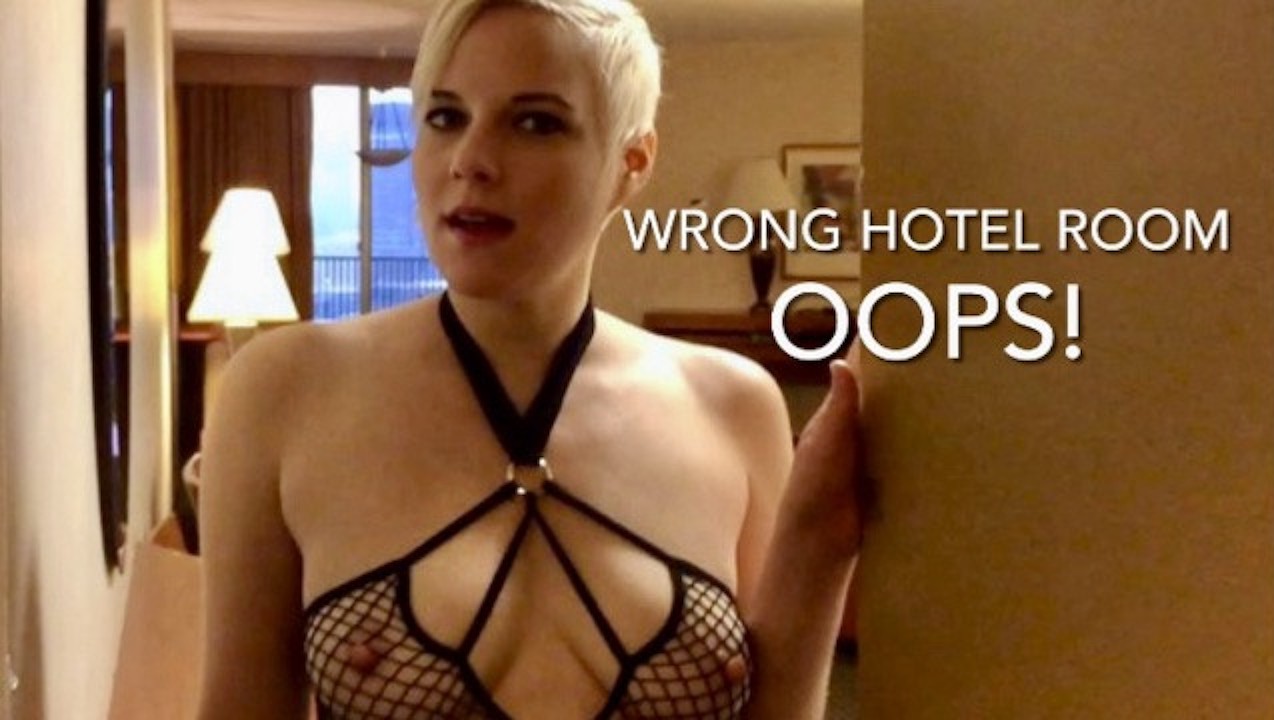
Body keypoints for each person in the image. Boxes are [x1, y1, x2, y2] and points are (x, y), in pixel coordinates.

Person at [197, 0, 862, 717]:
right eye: (445, 117)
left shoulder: (732, 404)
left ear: (632, 163)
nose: (471, 162)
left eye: (536, 123)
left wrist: (819, 546)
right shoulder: (286, 390)